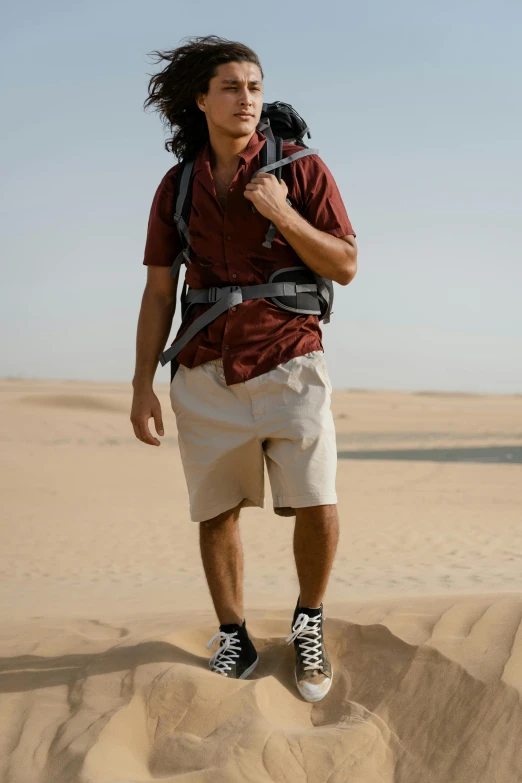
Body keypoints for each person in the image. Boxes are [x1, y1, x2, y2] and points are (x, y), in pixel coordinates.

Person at [131, 35, 357, 703]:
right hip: (203, 367)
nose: (247, 99)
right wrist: (142, 383)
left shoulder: (303, 168)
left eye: (255, 87)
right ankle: (233, 632)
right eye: (231, 87)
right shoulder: (176, 187)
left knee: (317, 499)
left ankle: (307, 620)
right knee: (217, 510)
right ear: (201, 100)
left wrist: (281, 210)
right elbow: (156, 292)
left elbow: (344, 264)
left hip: (291, 357)